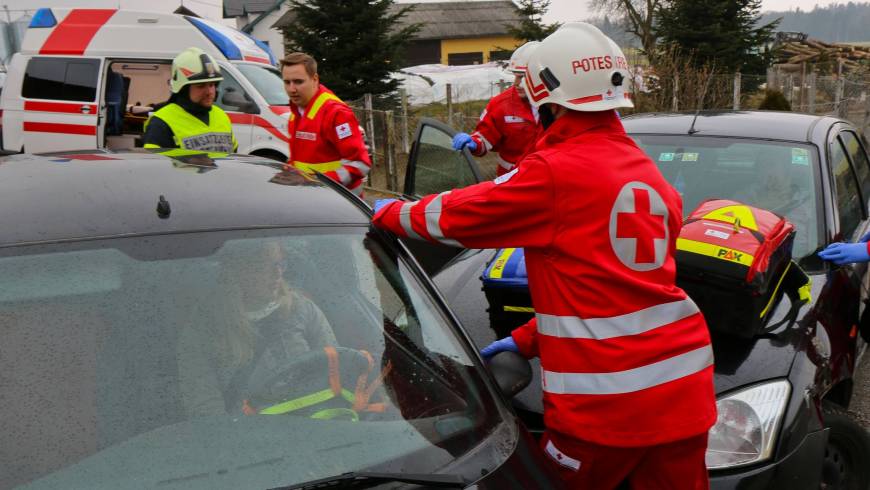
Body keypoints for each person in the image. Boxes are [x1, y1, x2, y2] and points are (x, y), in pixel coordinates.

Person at [373, 23, 716, 489]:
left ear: (549, 102)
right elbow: (620, 294)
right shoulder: (649, 176)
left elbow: (460, 215)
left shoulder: (555, 171)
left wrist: (391, 213)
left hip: (606, 407)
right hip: (683, 393)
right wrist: (529, 338)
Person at [177, 240, 337, 417]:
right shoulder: (205, 328)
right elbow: (205, 407)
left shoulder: (303, 310)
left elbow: (335, 370)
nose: (277, 273)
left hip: (312, 426)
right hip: (246, 436)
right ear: (237, 272)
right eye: (263, 266)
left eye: (279, 264)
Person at [282, 52, 371, 197]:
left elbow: (360, 165)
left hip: (342, 204)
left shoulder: (336, 113)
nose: (292, 89)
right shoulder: (296, 112)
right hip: (313, 198)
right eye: (287, 82)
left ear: (315, 79)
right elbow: (302, 161)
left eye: (298, 82)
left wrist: (314, 181)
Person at [451, 41, 540, 176]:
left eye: (522, 78)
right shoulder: (501, 104)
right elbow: (484, 138)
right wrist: (473, 143)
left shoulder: (560, 105)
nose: (517, 83)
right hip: (511, 180)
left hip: (551, 179)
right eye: (516, 76)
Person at [142, 47, 238, 153]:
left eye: (212, 85)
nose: (209, 92)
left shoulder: (221, 116)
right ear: (183, 89)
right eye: (201, 86)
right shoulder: (162, 122)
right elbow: (155, 166)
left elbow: (233, 155)